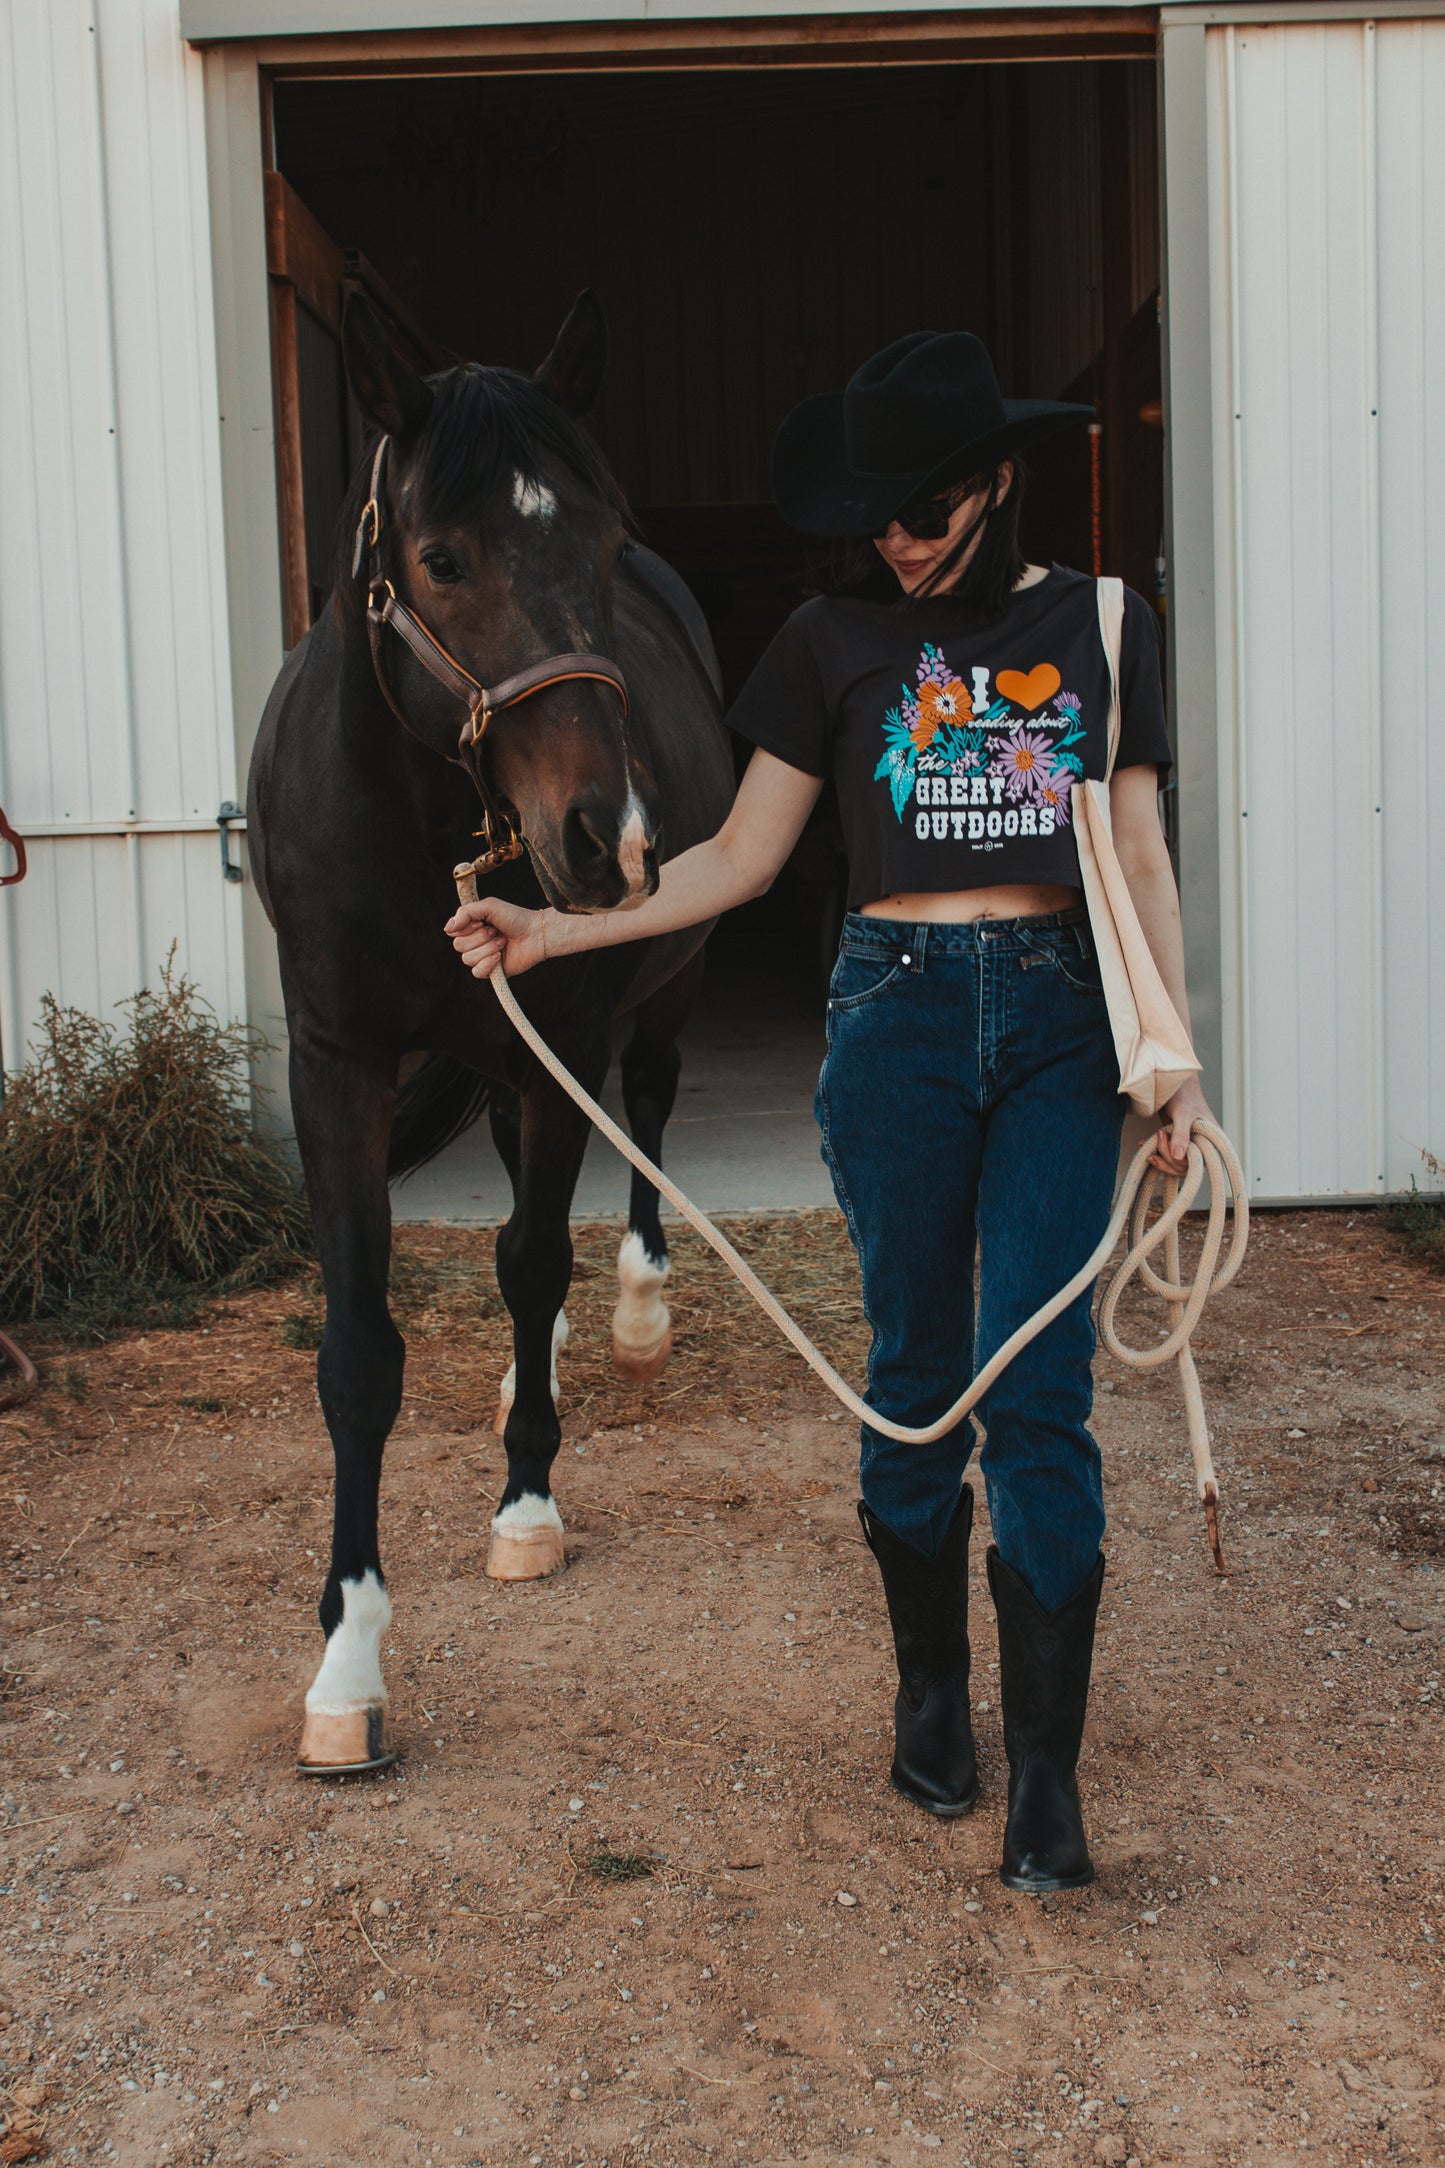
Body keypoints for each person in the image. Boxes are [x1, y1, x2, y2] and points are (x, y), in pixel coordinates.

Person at [446, 332, 1212, 1895]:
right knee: (914, 1368)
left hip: (1068, 1019)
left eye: (924, 507)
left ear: (995, 481)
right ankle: (931, 1690)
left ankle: (1046, 1783)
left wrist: (1175, 1056)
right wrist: (556, 929)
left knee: (1041, 1387)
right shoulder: (823, 641)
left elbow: (1133, 851)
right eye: (878, 513)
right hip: (896, 1016)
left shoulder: (1106, 625)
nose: (898, 537)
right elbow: (734, 861)